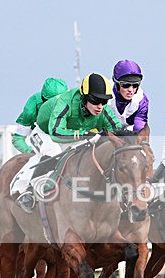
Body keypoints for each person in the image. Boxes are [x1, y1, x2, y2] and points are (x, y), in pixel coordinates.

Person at [12, 73, 123, 211]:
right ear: (84, 97)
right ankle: (28, 192)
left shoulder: (103, 110)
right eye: (95, 101)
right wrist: (84, 134)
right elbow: (56, 133)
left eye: (104, 101)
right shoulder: (66, 102)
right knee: (54, 152)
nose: (100, 106)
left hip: (71, 133)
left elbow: (119, 132)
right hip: (46, 132)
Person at [11, 77, 69, 153]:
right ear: (44, 99)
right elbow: (18, 139)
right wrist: (30, 151)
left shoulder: (72, 101)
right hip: (39, 134)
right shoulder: (31, 110)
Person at [108, 60, 150, 133]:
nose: (131, 90)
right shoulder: (105, 93)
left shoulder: (141, 100)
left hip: (128, 130)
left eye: (135, 85)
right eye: (126, 85)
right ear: (116, 84)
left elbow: (140, 125)